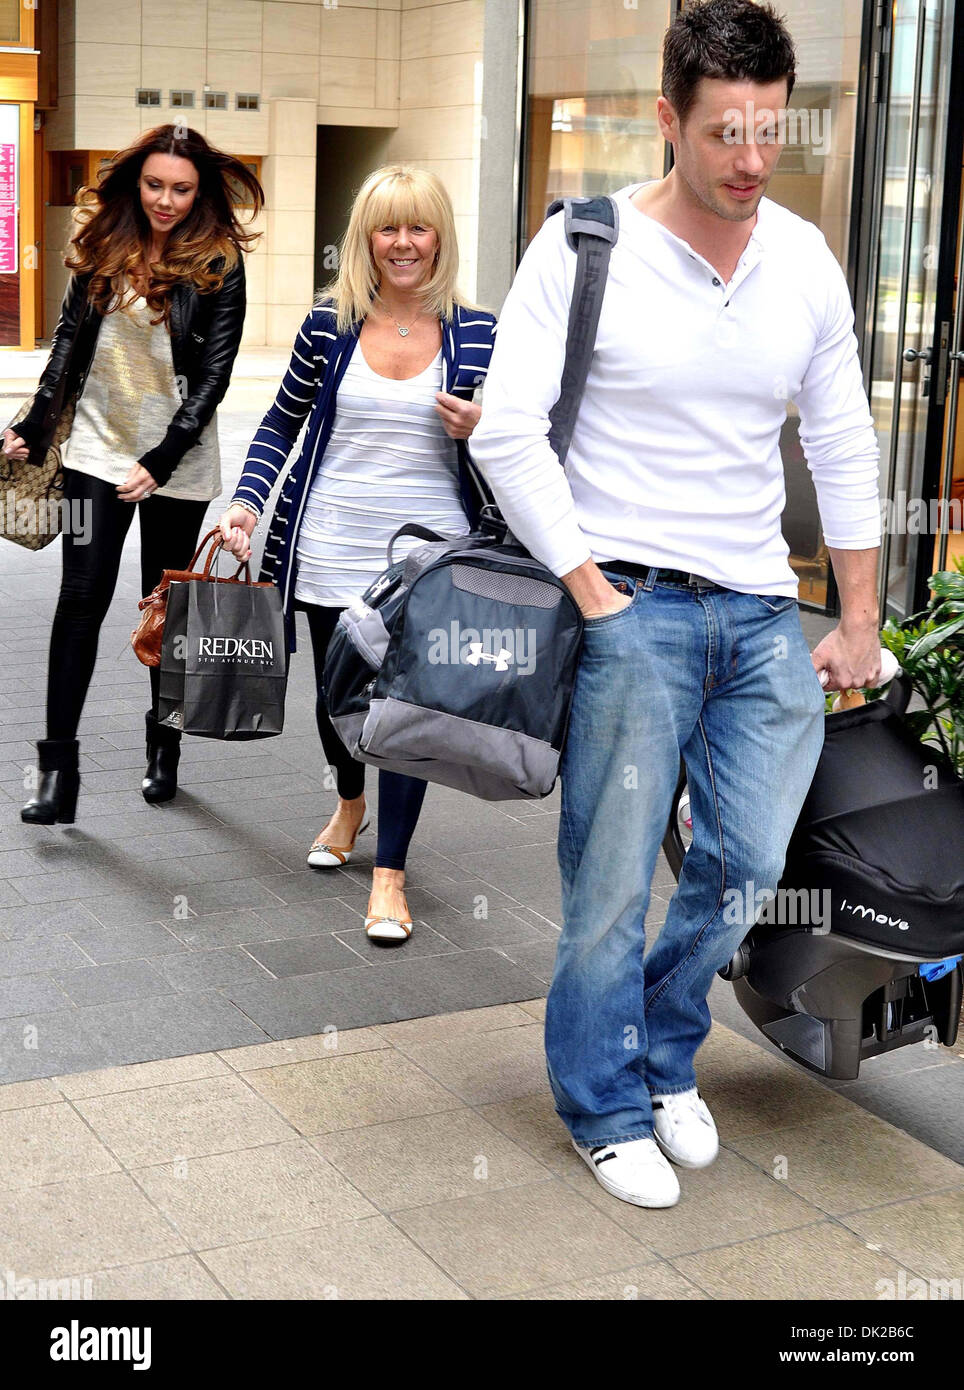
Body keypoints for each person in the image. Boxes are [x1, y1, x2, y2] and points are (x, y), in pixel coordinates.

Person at [470, 0, 882, 1208]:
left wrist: (854, 619)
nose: (751, 161)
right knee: (607, 878)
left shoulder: (802, 257)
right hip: (631, 605)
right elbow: (504, 426)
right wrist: (590, 589)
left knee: (746, 859)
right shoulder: (583, 246)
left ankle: (658, 1051)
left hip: (760, 609)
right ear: (667, 119)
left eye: (768, 133)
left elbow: (845, 439)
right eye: (724, 135)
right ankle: (601, 1101)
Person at [218, 165, 496, 945]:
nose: (402, 243)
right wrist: (246, 503)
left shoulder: (478, 331)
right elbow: (279, 424)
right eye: (386, 227)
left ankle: (390, 873)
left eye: (418, 226)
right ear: (364, 240)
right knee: (336, 706)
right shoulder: (328, 327)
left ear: (439, 235)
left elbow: (524, 441)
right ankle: (349, 799)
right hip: (328, 545)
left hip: (429, 564)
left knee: (406, 711)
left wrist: (483, 428)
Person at [9, 124, 262, 824]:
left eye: (181, 189)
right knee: (80, 599)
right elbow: (69, 340)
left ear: (200, 190)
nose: (167, 200)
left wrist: (160, 460)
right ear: (136, 181)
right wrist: (33, 424)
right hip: (96, 448)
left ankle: (165, 746)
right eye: (155, 185)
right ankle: (57, 773)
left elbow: (215, 376)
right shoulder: (104, 246)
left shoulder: (218, 260)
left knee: (168, 606)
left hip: (176, 463)